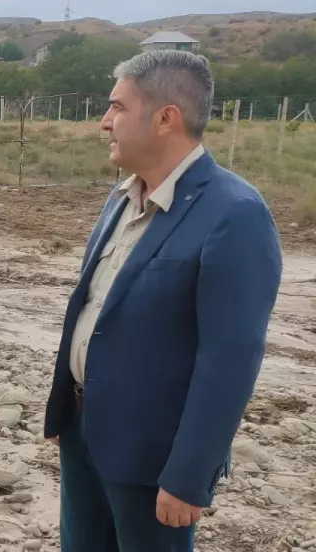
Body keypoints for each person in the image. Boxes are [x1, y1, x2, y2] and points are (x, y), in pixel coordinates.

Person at [42, 50, 282, 551]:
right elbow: (94, 309)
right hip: (86, 432)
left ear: (165, 117)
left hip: (155, 458)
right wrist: (68, 412)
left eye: (116, 108)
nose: (104, 123)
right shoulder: (121, 198)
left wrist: (190, 475)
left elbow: (230, 360)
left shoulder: (234, 214)